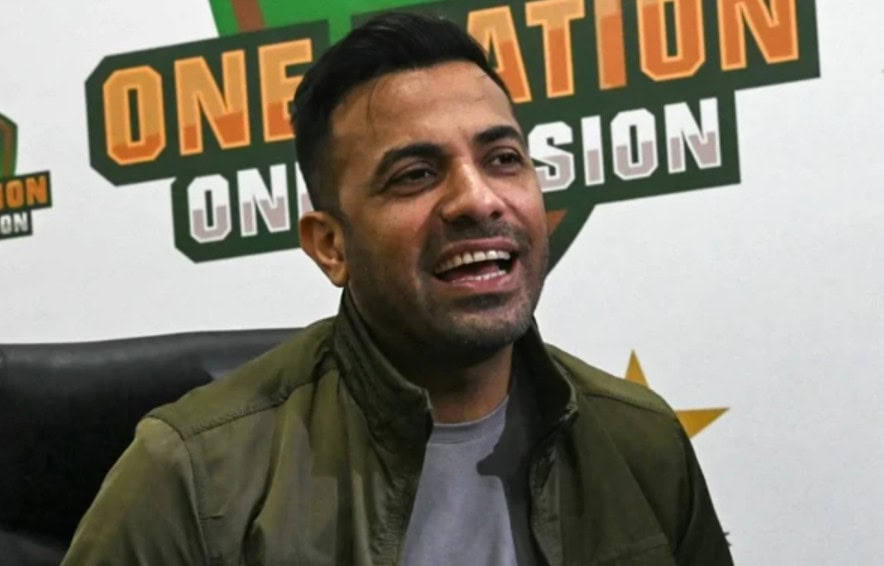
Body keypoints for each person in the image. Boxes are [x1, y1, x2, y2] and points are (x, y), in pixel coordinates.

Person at [62, 11, 733, 566]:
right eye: (415, 175)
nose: (478, 199)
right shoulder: (192, 477)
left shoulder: (641, 442)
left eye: (503, 159)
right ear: (331, 246)